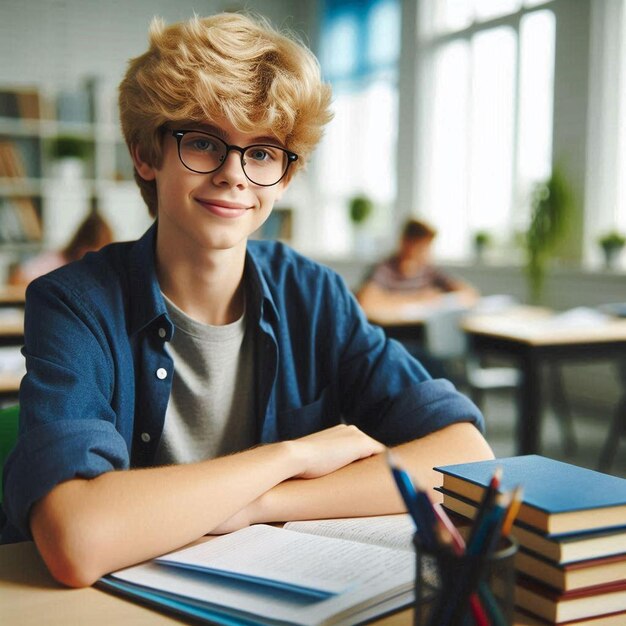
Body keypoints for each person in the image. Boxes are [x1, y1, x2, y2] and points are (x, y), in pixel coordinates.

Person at [1, 13, 493, 588]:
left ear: (285, 176)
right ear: (145, 154)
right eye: (205, 143)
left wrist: (258, 503)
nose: (235, 175)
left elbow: (467, 456)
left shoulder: (313, 294)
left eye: (262, 153)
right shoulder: (73, 303)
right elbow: (77, 540)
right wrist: (289, 457)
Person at [357, 219, 479, 319]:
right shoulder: (384, 270)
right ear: (405, 243)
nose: (426, 253)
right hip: (393, 333)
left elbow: (469, 294)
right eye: (421, 247)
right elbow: (365, 303)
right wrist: (417, 298)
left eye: (428, 247)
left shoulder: (429, 270)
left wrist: (439, 299)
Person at [8, 211, 114, 286]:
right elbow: (18, 278)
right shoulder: (57, 260)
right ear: (79, 246)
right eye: (89, 252)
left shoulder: (109, 272)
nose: (92, 260)